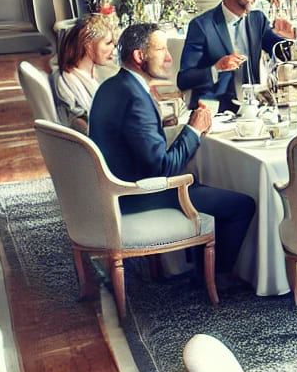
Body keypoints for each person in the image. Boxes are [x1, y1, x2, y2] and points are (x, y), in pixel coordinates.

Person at [88, 23, 257, 275]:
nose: (168, 58)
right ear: (139, 56)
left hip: (112, 189)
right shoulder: (135, 98)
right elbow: (163, 167)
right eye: (161, 50)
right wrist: (194, 130)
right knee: (242, 204)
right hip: (136, 196)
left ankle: (202, 267)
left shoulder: (112, 87)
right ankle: (216, 280)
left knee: (200, 182)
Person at [177, 0, 296, 112]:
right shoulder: (202, 26)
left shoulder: (257, 19)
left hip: (255, 107)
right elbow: (183, 79)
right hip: (216, 110)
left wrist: (289, 41)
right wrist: (216, 68)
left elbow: (280, 51)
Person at [52, 13, 120, 133]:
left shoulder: (95, 72)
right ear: (88, 46)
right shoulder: (68, 80)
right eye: (108, 43)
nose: (113, 48)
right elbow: (85, 124)